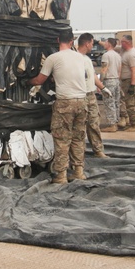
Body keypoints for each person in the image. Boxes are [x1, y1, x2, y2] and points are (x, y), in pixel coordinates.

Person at [28, 29, 88, 184]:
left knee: (62, 139)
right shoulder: (81, 58)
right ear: (72, 41)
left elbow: (40, 80)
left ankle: (61, 175)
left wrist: (27, 81)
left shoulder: (53, 58)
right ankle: (78, 172)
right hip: (82, 101)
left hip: (65, 103)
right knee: (78, 137)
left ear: (57, 40)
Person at [77, 33, 110, 158]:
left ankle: (98, 150)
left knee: (94, 123)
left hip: (91, 95)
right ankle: (79, 153)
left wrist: (102, 87)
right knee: (79, 126)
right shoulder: (75, 58)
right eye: (92, 43)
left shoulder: (87, 59)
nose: (92, 46)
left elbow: (93, 75)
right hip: (80, 95)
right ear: (87, 43)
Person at [117, 35, 135, 131]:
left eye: (122, 42)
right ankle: (128, 121)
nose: (120, 44)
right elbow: (114, 46)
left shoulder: (131, 54)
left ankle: (134, 125)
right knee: (123, 101)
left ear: (127, 43)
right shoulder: (124, 51)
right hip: (124, 80)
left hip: (130, 80)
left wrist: (132, 85)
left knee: (131, 104)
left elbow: (134, 70)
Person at [99, 37, 121, 131]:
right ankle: (116, 121)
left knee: (109, 102)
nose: (104, 44)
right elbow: (119, 69)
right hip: (116, 79)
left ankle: (111, 124)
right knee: (116, 102)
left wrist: (100, 82)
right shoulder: (118, 55)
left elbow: (104, 69)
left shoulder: (106, 55)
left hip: (109, 80)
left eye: (106, 42)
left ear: (109, 44)